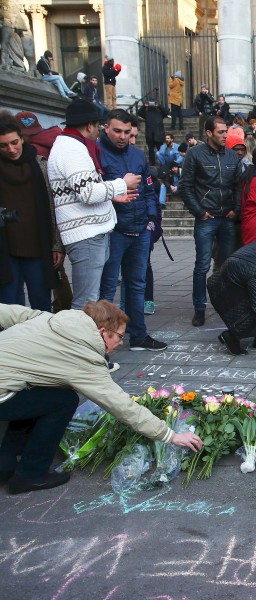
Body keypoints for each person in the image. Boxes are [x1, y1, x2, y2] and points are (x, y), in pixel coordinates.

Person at [0, 301, 203, 494]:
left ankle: (9, 458)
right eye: (119, 336)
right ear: (102, 332)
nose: (121, 343)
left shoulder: (56, 320)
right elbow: (120, 405)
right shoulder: (84, 358)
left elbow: (9, 312)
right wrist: (170, 435)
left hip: (8, 384)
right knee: (64, 401)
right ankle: (30, 475)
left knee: (47, 393)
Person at [48, 99, 140, 310]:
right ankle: (78, 343)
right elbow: (87, 193)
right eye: (98, 125)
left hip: (88, 231)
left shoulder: (71, 146)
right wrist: (121, 184)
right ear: (90, 125)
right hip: (85, 234)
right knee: (85, 302)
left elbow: (80, 189)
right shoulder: (71, 150)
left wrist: (110, 196)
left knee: (89, 298)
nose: (98, 130)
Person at [97, 109, 167, 351]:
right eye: (117, 130)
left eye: (127, 132)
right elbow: (94, 191)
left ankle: (138, 336)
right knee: (106, 289)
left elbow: (149, 190)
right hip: (113, 231)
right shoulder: (97, 153)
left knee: (136, 285)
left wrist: (150, 218)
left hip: (139, 229)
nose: (122, 136)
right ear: (105, 127)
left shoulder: (138, 155)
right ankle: (100, 343)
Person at [178, 116, 242, 327]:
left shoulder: (232, 156)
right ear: (208, 133)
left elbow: (238, 186)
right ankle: (200, 308)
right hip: (207, 218)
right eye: (221, 132)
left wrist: (236, 208)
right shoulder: (195, 154)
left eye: (226, 132)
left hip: (227, 217)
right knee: (202, 265)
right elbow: (185, 187)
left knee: (226, 264)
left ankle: (226, 303)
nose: (225, 135)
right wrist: (199, 212)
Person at [0, 112, 64, 310]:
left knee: (41, 304)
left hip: (38, 246)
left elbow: (53, 207)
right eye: (3, 145)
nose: (11, 149)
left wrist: (57, 245)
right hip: (5, 249)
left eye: (14, 142)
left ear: (22, 138)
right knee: (9, 308)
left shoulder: (40, 163)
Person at [137, 99, 168, 166]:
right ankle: (152, 163)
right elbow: (139, 112)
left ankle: (162, 163)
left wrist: (159, 105)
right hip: (150, 135)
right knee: (151, 151)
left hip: (159, 134)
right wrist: (145, 106)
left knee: (161, 150)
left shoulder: (160, 112)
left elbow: (166, 112)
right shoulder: (146, 112)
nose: (152, 104)